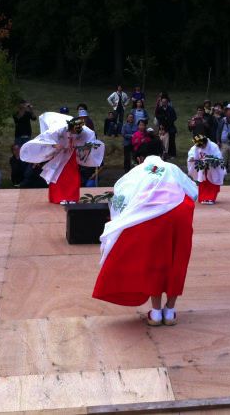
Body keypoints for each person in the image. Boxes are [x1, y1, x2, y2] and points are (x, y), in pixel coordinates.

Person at [93, 139, 198, 326]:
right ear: (161, 154)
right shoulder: (172, 168)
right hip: (179, 212)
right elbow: (194, 192)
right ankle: (171, 311)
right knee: (177, 260)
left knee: (155, 260)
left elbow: (121, 194)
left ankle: (156, 312)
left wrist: (120, 220)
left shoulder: (137, 171)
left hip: (152, 216)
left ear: (140, 158)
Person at [20, 112, 105, 204]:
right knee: (59, 176)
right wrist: (54, 145)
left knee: (73, 176)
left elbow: (89, 140)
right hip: (59, 155)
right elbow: (46, 138)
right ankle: (60, 197)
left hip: (71, 154)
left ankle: (72, 197)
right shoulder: (58, 129)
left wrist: (84, 148)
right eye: (73, 131)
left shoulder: (84, 131)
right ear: (70, 127)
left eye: (76, 132)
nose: (74, 133)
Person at [187, 134, 226, 204]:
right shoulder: (196, 147)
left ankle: (211, 198)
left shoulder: (213, 146)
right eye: (199, 146)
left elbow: (218, 157)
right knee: (203, 183)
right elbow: (192, 153)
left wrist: (210, 160)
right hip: (202, 169)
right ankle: (203, 198)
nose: (201, 147)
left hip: (212, 169)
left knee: (212, 183)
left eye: (202, 145)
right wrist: (192, 157)